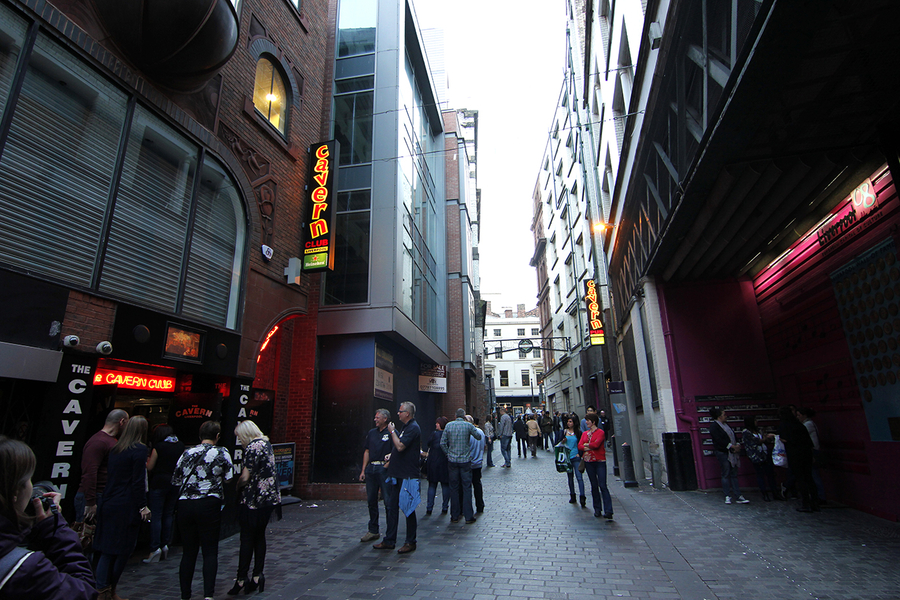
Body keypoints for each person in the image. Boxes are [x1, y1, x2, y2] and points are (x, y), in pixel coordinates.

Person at [0, 436, 96, 599]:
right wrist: (56, 530)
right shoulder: (23, 567)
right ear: (15, 492)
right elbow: (83, 592)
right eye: (29, 478)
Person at [173, 420, 235, 600]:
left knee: (188, 552)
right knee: (209, 550)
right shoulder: (222, 452)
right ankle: (208, 594)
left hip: (185, 504)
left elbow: (176, 479)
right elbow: (229, 477)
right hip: (209, 503)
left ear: (200, 436)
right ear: (217, 436)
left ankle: (185, 594)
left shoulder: (187, 452)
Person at [93, 415, 150, 600]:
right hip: (126, 504)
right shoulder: (139, 450)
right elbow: (138, 481)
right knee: (123, 550)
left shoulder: (116, 448)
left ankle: (103, 589)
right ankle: (109, 589)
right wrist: (142, 506)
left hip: (110, 500)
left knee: (107, 550)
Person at [228, 420, 280, 595]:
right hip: (268, 499)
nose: (239, 441)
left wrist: (236, 486)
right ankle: (258, 575)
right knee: (259, 536)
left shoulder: (252, 447)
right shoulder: (266, 443)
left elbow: (245, 475)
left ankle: (241, 578)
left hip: (253, 500)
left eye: (239, 437)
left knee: (247, 538)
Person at [375, 402, 421, 554]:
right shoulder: (406, 428)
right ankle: (389, 540)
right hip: (397, 474)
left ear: (407, 413)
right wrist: (392, 455)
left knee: (408, 508)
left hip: (407, 475)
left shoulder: (413, 428)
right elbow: (399, 449)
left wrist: (392, 432)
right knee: (392, 507)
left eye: (400, 411)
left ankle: (410, 541)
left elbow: (401, 446)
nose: (398, 413)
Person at [74, 409, 129, 524]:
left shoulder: (109, 441)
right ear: (122, 421)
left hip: (102, 495)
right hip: (93, 496)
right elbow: (89, 472)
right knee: (86, 535)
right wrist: (90, 502)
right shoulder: (99, 442)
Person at [144, 423, 184, 563]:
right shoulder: (180, 446)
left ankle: (155, 548)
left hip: (159, 483)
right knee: (168, 514)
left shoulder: (159, 447)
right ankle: (165, 544)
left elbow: (150, 466)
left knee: (156, 515)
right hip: (174, 483)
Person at [440, 408, 483, 524]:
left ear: (455, 416)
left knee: (454, 488)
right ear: (464, 416)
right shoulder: (468, 426)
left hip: (452, 460)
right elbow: (478, 436)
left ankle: (454, 515)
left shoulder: (449, 426)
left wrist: (448, 453)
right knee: (467, 487)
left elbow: (442, 442)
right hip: (465, 461)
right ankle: (468, 516)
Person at [359, 409, 393, 540]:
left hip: (383, 469)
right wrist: (363, 470)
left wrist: (387, 466)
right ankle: (373, 530)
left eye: (377, 417)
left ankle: (390, 531)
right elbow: (366, 451)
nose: (375, 419)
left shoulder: (390, 433)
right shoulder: (372, 433)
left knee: (388, 501)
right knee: (371, 500)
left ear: (385, 419)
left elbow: (395, 450)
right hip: (371, 468)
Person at [777, 406, 818, 513]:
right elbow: (808, 442)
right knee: (809, 478)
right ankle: (815, 502)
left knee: (801, 479)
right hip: (806, 454)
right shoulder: (799, 425)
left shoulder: (785, 425)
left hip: (795, 454)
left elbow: (784, 439)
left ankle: (806, 503)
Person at [709, 408, 749, 505]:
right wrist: (730, 446)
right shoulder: (714, 426)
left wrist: (737, 445)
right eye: (724, 414)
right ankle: (727, 495)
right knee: (726, 473)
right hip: (723, 452)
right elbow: (718, 440)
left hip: (732, 452)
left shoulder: (727, 425)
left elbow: (733, 436)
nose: (726, 416)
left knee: (734, 473)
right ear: (719, 416)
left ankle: (738, 494)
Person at [579, 412, 613, 519]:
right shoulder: (584, 433)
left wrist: (587, 445)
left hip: (599, 461)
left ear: (593, 422)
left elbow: (597, 444)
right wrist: (588, 446)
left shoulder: (600, 432)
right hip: (589, 462)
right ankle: (597, 509)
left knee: (602, 485)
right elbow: (580, 446)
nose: (586, 422)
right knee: (594, 485)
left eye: (588, 420)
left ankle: (608, 510)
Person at [741, 416, 778, 501]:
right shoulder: (746, 432)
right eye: (755, 420)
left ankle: (775, 492)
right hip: (756, 456)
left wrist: (766, 438)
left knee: (770, 474)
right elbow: (756, 441)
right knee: (760, 475)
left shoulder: (758, 430)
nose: (756, 422)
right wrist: (765, 438)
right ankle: (764, 493)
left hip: (764, 453)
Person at [422, 417, 450, 515]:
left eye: (438, 423)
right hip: (444, 462)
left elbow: (428, 443)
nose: (436, 425)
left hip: (433, 462)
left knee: (432, 485)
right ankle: (445, 507)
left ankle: (429, 508)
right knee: (445, 485)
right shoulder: (448, 435)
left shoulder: (434, 434)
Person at [797, 407, 826, 502]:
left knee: (814, 474)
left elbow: (800, 436)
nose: (798, 417)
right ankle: (817, 495)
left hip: (812, 451)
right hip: (813, 450)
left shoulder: (808, 425)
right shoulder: (810, 424)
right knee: (813, 474)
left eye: (799, 415)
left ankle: (820, 496)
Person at [563, 416, 586, 507]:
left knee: (579, 477)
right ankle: (572, 495)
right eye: (568, 421)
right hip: (568, 457)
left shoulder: (578, 432)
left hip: (576, 456)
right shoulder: (565, 432)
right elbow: (560, 444)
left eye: (570, 421)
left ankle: (582, 496)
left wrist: (580, 454)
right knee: (570, 478)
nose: (569, 423)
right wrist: (563, 440)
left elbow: (581, 443)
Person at [467, 416, 485, 514]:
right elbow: (483, 445)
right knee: (477, 484)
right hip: (478, 463)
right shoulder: (481, 432)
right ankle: (480, 505)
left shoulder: (468, 434)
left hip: (469, 464)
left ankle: (467, 508)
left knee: (467, 487)